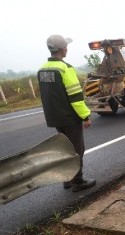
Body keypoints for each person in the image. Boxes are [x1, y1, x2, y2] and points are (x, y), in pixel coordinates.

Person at [37, 34, 96, 192]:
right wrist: (85, 116)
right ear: (62, 49)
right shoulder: (65, 68)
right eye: (66, 46)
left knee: (64, 149)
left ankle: (67, 179)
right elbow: (75, 97)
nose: (67, 48)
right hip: (69, 117)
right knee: (77, 149)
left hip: (54, 117)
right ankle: (78, 181)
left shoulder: (42, 69)